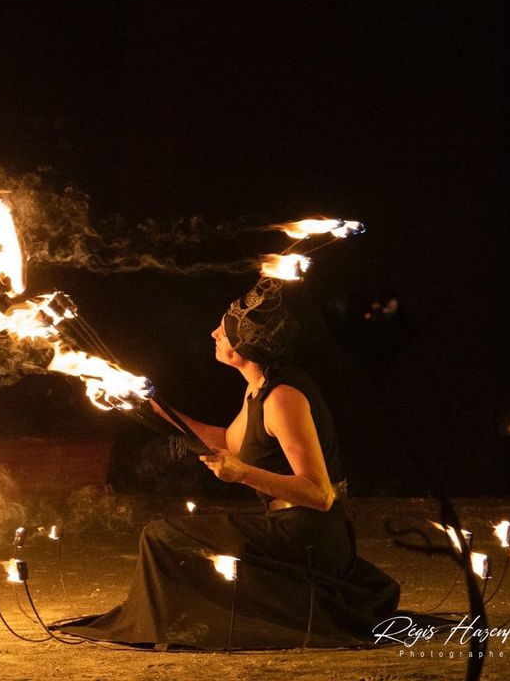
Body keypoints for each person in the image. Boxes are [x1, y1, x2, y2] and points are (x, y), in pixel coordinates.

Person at [55, 278, 399, 649]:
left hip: (307, 537)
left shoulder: (282, 398)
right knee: (166, 535)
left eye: (224, 329)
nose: (214, 333)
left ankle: (178, 627)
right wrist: (157, 410)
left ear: (244, 346)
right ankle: (182, 622)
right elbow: (226, 441)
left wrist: (243, 473)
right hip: (290, 528)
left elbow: (319, 494)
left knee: (161, 536)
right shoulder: (259, 387)